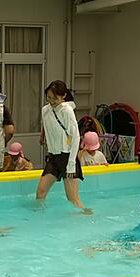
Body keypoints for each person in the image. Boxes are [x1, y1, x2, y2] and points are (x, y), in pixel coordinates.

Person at [37, 80, 88, 211]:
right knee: (40, 193)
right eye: (49, 97)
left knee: (73, 199)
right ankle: (39, 217)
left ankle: (87, 216)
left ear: (64, 96)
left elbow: (76, 137)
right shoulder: (45, 110)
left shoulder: (67, 111)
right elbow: (46, 125)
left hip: (67, 157)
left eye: (55, 98)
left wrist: (71, 164)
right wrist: (43, 136)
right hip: (53, 157)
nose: (51, 101)